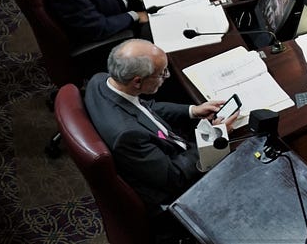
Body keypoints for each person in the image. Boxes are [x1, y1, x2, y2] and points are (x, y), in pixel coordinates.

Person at [84, 39, 229, 214]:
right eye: (162, 73)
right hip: (175, 187)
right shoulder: (128, 136)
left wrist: (193, 110)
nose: (167, 76)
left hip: (166, 149)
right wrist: (215, 138)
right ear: (137, 82)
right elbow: (174, 177)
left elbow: (144, 108)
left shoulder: (100, 81)